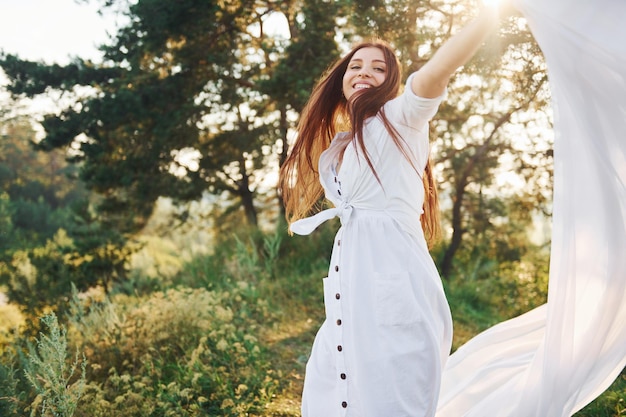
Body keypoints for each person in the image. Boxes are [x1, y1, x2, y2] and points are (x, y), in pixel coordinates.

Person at [278, 3, 514, 416]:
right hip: (349, 294)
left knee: (392, 398)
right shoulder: (345, 143)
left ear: (392, 83)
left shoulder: (401, 117)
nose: (364, 72)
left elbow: (435, 73)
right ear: (342, 80)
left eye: (378, 68)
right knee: (330, 390)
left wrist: (489, 17)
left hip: (396, 290)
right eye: (355, 66)